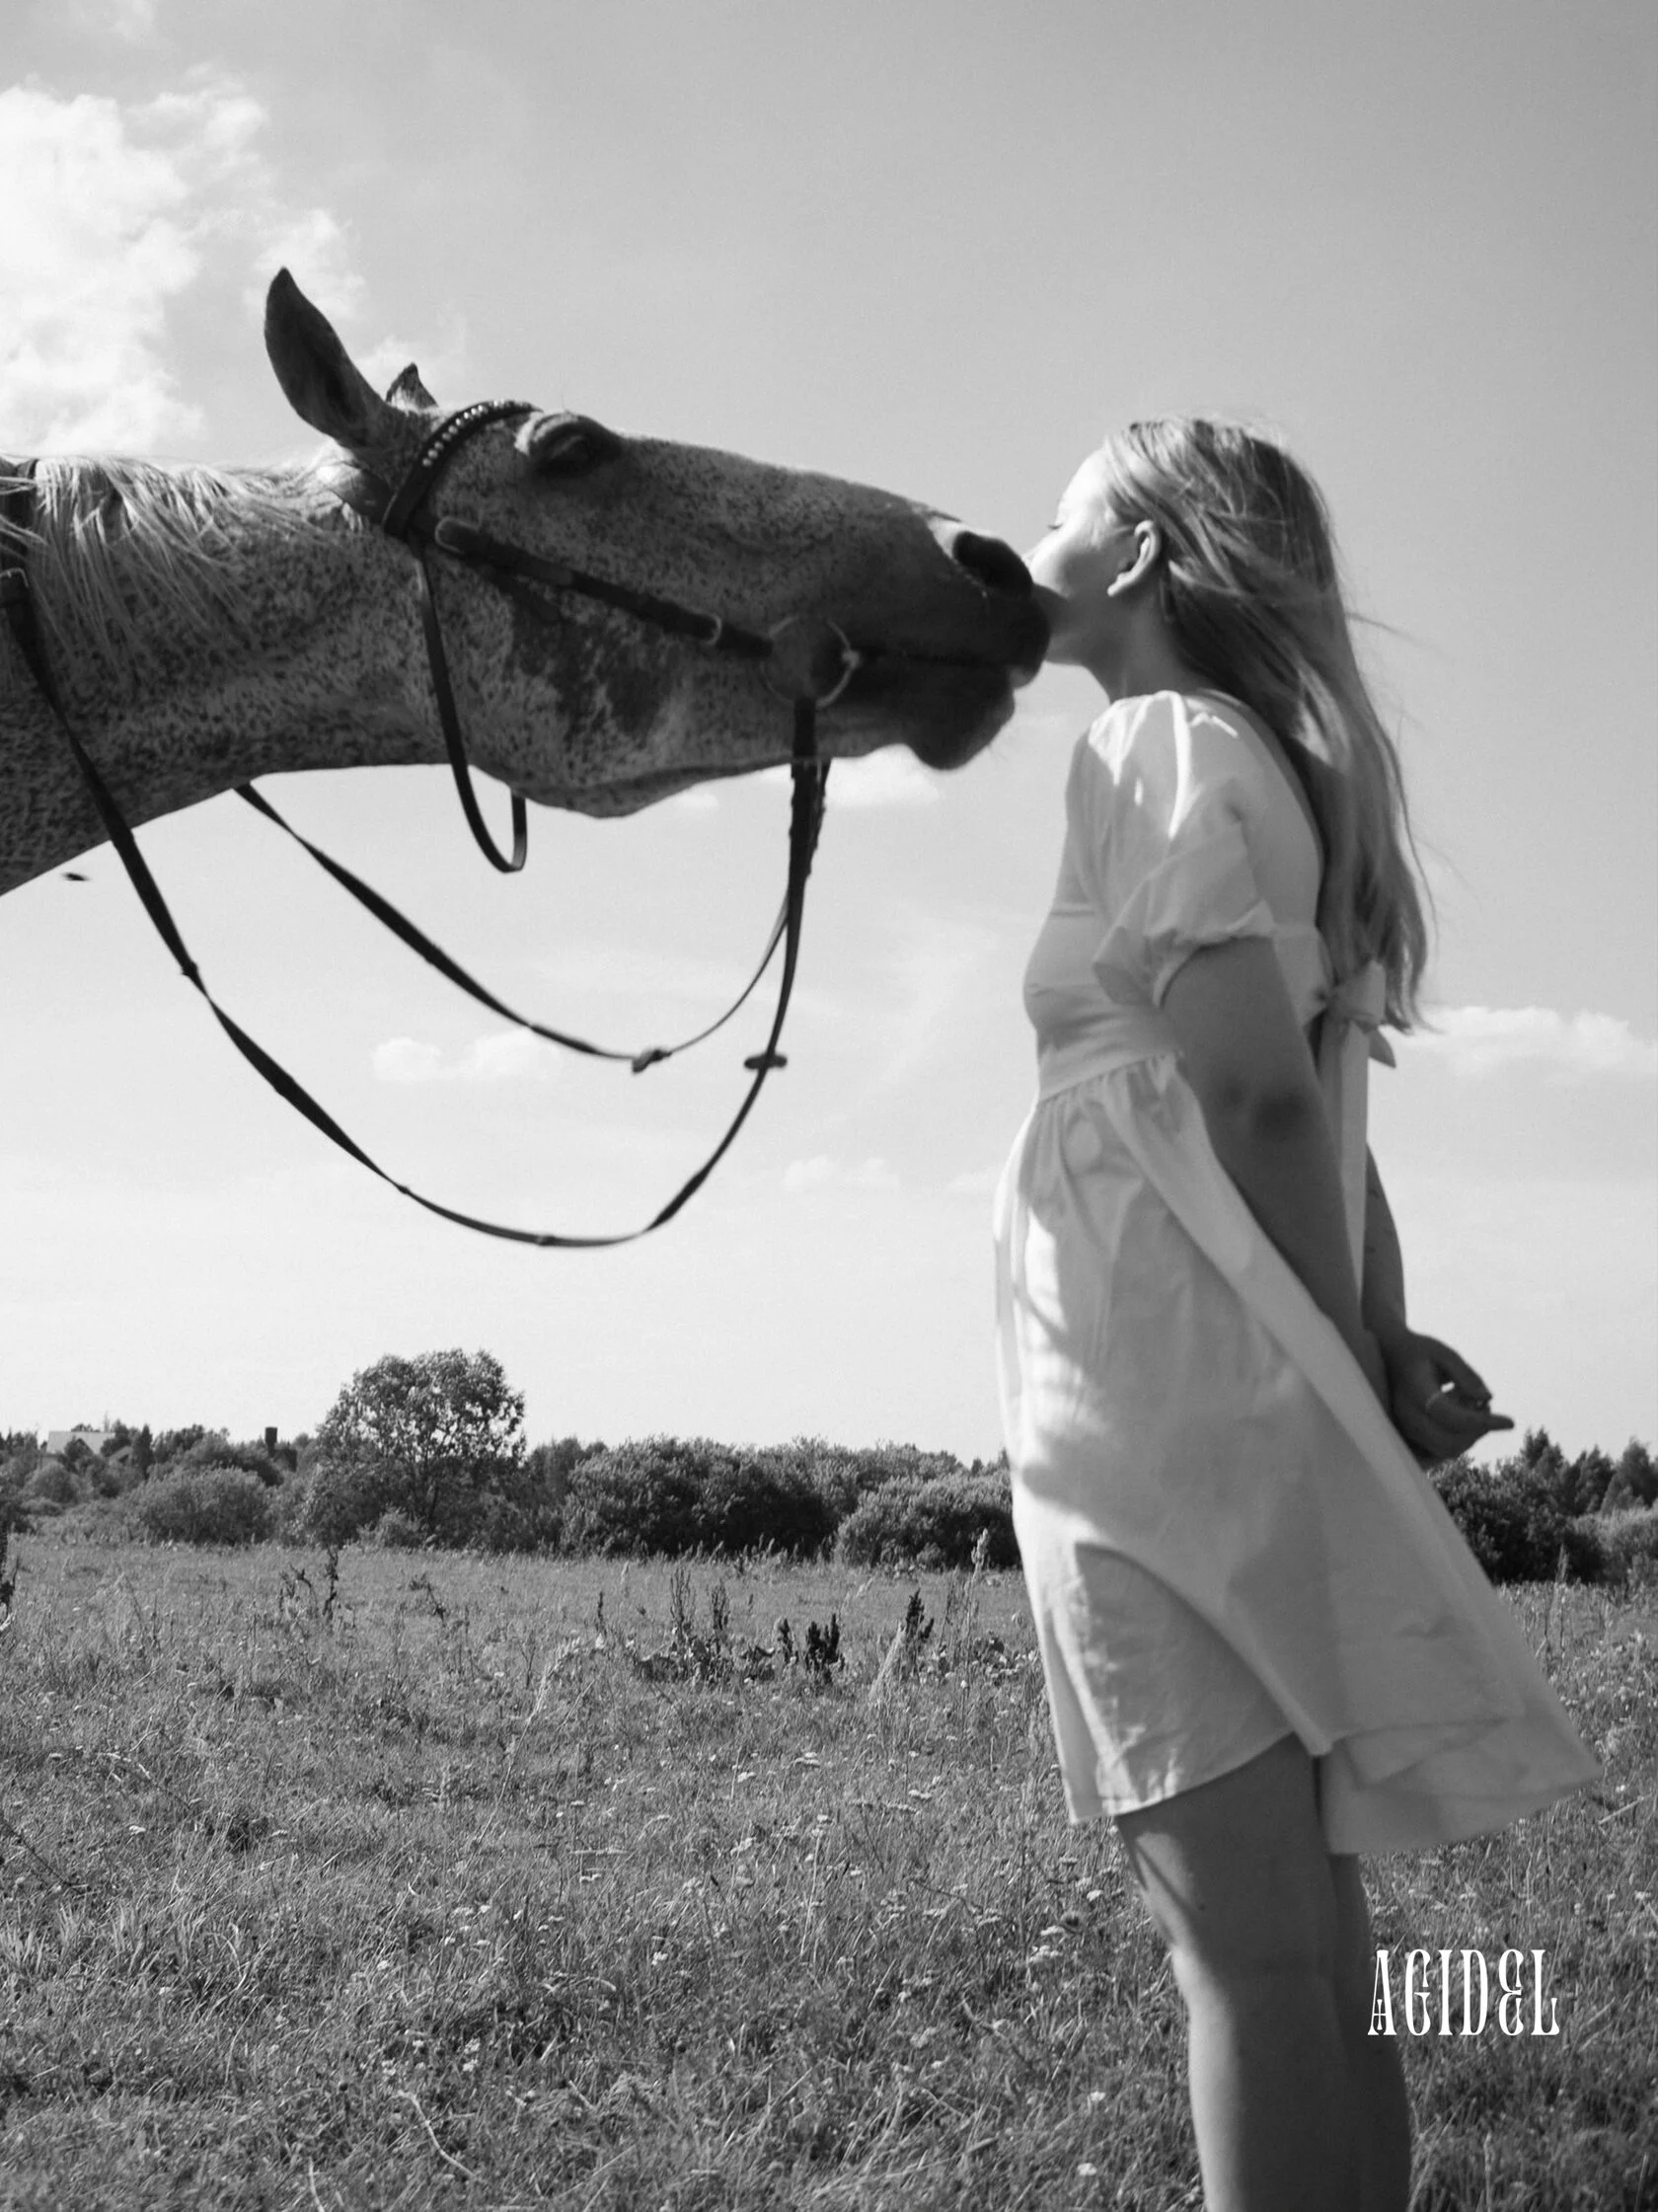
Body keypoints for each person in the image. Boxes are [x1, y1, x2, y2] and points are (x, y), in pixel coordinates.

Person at [994, 419, 1598, 2212]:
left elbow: (1258, 1098)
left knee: (1241, 1963)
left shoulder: (1152, 740)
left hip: (1157, 1382)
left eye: (1060, 513)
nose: (1031, 537)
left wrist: (1340, 1356)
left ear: (1144, 561)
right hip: (1226, 1371)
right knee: (1314, 1949)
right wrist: (1380, 1332)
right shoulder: (1264, 765)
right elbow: (1329, 1113)